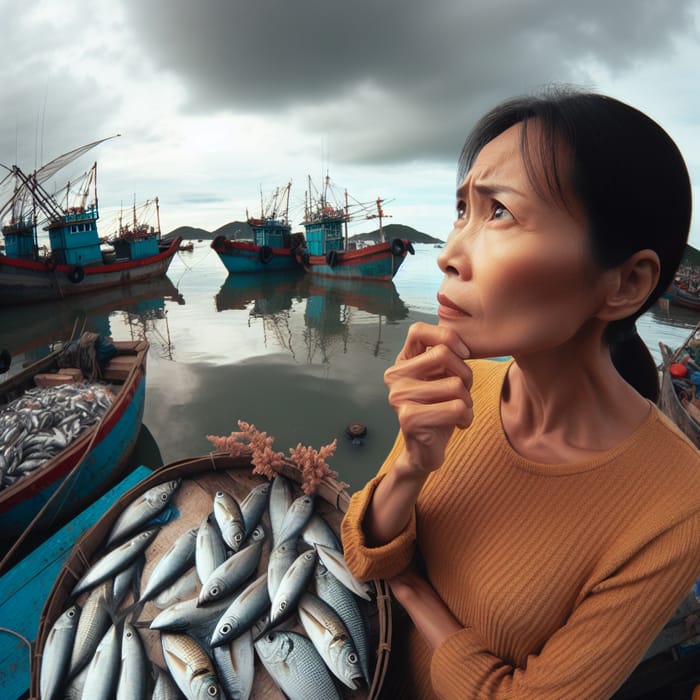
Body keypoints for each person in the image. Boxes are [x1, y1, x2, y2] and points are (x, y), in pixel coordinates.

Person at [340, 86, 700, 699]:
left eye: (499, 211)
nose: (449, 255)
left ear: (624, 283)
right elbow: (364, 551)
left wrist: (418, 596)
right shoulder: (463, 390)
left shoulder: (676, 505)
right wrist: (410, 463)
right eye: (462, 211)